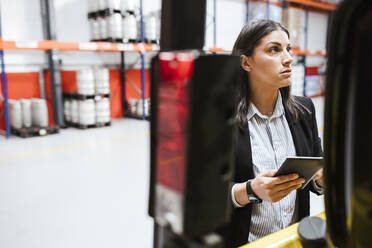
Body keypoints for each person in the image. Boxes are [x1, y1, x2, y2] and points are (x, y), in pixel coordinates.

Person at [224, 19, 324, 247]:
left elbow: (312, 179)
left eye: (288, 49)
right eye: (274, 50)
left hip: (292, 241)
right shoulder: (222, 120)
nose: (288, 58)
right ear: (246, 62)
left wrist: (322, 179)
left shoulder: (304, 110)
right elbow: (203, 197)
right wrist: (249, 190)